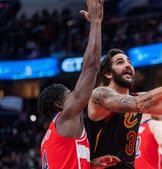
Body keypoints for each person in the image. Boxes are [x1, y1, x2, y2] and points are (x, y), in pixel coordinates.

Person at [37, 0, 120, 168]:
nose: (75, 93)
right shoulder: (67, 116)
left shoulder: (50, 138)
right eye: (69, 92)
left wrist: (90, 164)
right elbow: (91, 66)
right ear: (60, 104)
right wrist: (96, 22)